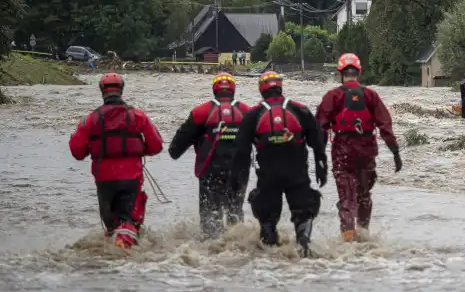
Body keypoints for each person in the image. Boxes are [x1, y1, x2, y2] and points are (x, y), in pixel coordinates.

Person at [232, 71, 326, 256]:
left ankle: (271, 260)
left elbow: (241, 151)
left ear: (261, 90)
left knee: (267, 219)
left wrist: (238, 179)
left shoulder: (253, 115)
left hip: (268, 177)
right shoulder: (300, 110)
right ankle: (303, 248)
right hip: (297, 174)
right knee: (304, 214)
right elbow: (318, 141)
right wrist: (321, 166)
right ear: (280, 87)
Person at [69, 73, 164, 250]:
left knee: (112, 225)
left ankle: (114, 257)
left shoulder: (89, 120)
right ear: (121, 90)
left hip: (104, 180)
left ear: (102, 91)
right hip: (132, 178)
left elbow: (77, 151)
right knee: (128, 221)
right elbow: (156, 145)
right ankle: (126, 255)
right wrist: (139, 149)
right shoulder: (138, 116)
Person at [315, 53, 401, 243]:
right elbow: (385, 125)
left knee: (347, 198)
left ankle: (347, 242)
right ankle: (364, 235)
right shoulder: (371, 95)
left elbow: (320, 127)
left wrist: (319, 157)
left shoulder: (333, 96)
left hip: (343, 151)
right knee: (364, 196)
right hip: (366, 151)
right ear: (359, 73)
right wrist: (395, 152)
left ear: (341, 74)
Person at [168, 72, 252, 239]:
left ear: (214, 90)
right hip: (239, 173)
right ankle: (238, 245)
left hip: (210, 172)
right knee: (235, 211)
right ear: (233, 90)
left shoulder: (200, 112)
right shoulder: (248, 112)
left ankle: (211, 250)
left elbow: (175, 150)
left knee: (210, 214)